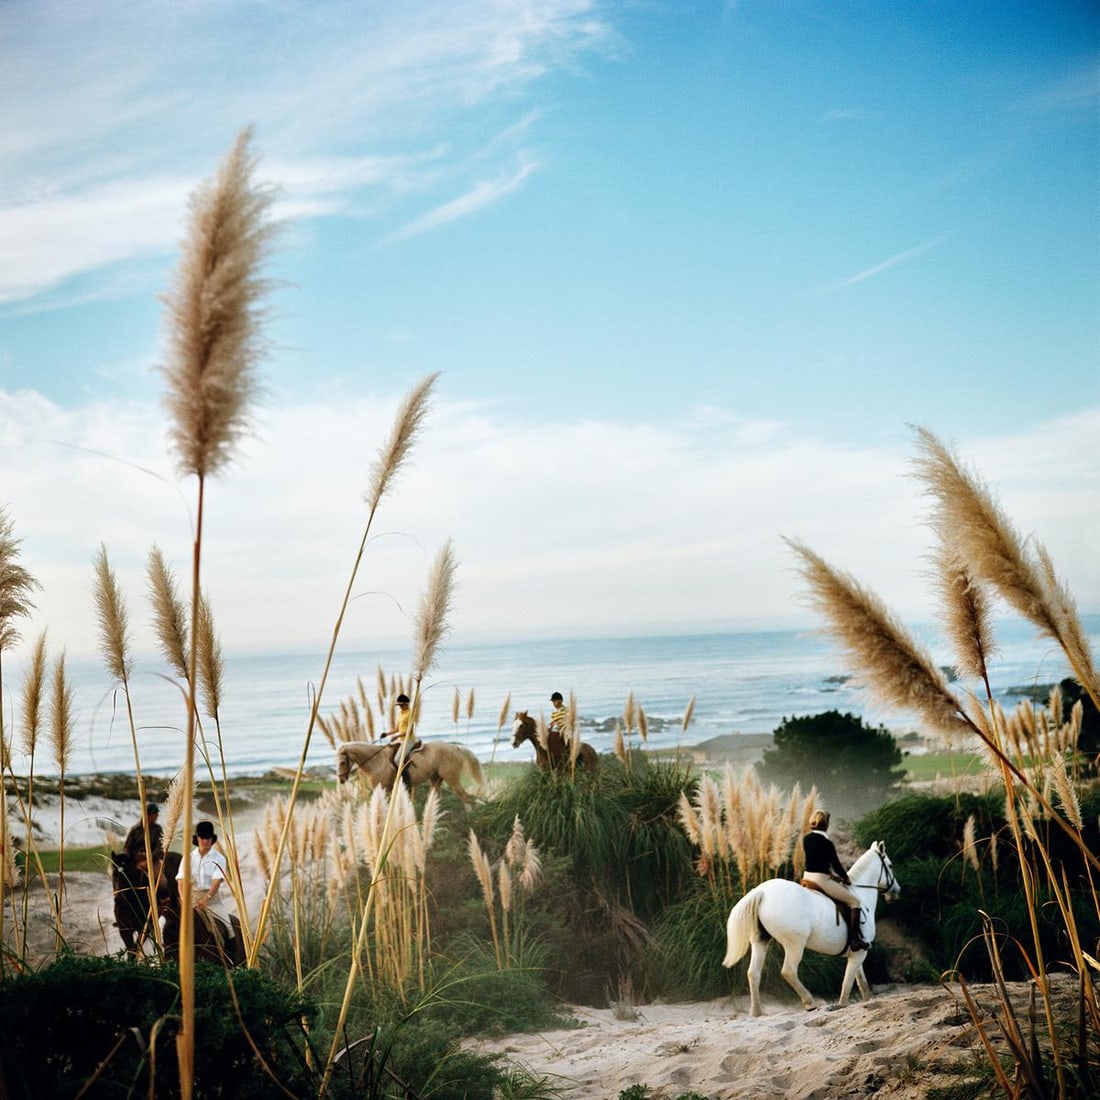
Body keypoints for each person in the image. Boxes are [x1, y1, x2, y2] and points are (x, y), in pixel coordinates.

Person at [802, 809, 870, 952]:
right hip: (821, 881)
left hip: (807, 878)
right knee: (854, 902)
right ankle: (854, 940)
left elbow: (816, 862)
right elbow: (837, 865)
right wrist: (845, 878)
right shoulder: (827, 843)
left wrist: (832, 875)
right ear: (826, 825)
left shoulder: (806, 839)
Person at [177, 820, 233, 948]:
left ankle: (232, 960)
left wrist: (206, 898)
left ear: (212, 839)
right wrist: (185, 900)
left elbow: (216, 881)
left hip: (212, 901)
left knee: (229, 929)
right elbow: (181, 881)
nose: (206, 841)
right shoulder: (188, 857)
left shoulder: (219, 858)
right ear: (197, 838)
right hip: (190, 900)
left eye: (208, 838)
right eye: (203, 838)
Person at [123, 802, 164, 878]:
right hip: (135, 860)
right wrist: (132, 858)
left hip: (152, 861)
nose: (157, 816)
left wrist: (147, 861)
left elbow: (159, 848)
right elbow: (127, 848)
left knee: (162, 882)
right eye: (156, 814)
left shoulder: (157, 829)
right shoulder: (135, 829)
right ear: (150, 815)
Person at [387, 693, 421, 784]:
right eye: (399, 705)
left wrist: (397, 736)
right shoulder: (400, 713)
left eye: (401, 705)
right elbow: (396, 729)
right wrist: (387, 734)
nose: (400, 707)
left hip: (408, 740)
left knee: (397, 760)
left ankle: (407, 781)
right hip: (401, 739)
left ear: (406, 704)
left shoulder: (410, 714)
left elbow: (409, 731)